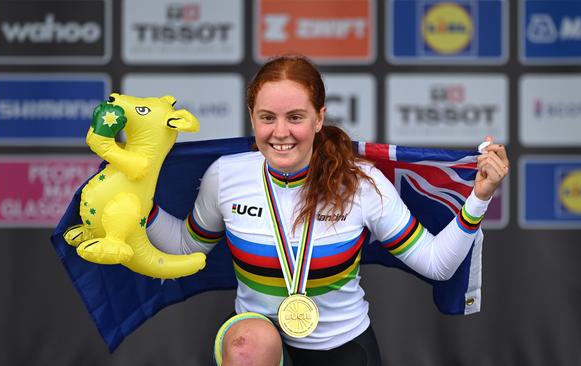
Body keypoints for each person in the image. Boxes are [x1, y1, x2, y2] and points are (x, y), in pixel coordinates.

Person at [146, 54, 509, 366]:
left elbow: (436, 264)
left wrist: (478, 198)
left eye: (296, 117)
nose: (281, 132)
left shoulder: (360, 182)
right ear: (251, 117)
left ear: (319, 118)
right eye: (267, 117)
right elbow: (185, 248)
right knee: (247, 349)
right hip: (258, 339)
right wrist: (137, 207)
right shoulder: (226, 175)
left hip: (341, 346)